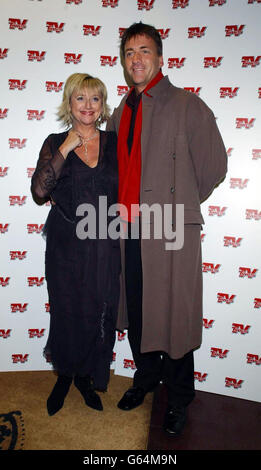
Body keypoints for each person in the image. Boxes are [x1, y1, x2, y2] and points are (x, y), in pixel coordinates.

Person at [106, 23, 227, 435]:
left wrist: (179, 208)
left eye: (144, 50)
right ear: (124, 62)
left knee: (174, 316)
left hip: (171, 233)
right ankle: (144, 382)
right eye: (129, 52)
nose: (136, 59)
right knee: (140, 314)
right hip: (130, 231)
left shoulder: (188, 105)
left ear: (160, 57)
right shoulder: (120, 112)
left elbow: (214, 167)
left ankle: (178, 399)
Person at [31, 73, 120, 416]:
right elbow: (40, 192)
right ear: (69, 104)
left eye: (94, 99)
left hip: (105, 243)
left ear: (102, 106)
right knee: (67, 310)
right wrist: (68, 146)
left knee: (99, 309)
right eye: (80, 98)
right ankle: (64, 376)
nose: (87, 106)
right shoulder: (55, 142)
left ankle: (86, 376)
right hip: (66, 242)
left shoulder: (114, 143)